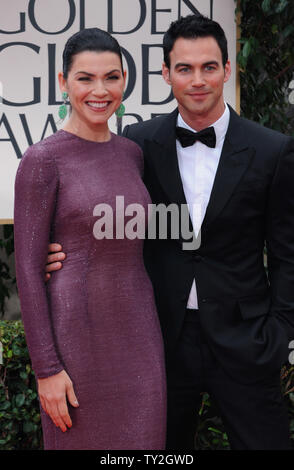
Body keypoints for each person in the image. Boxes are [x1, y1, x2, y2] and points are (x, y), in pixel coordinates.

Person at [45, 15, 294, 450]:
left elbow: (288, 252)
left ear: (227, 70)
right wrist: (64, 255)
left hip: (247, 342)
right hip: (159, 340)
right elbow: (107, 221)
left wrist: (278, 333)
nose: (197, 80)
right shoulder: (136, 144)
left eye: (209, 67)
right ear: (165, 73)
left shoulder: (272, 149)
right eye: (184, 68)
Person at [14, 27, 166, 450]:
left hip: (140, 340)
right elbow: (27, 271)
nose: (100, 90)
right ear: (63, 82)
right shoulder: (42, 160)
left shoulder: (131, 153)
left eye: (112, 77)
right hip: (75, 345)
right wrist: (46, 368)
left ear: (124, 80)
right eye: (85, 78)